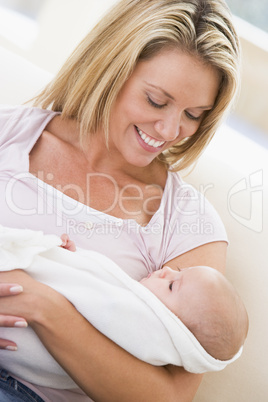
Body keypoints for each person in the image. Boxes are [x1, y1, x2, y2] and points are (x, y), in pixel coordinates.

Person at [0, 0, 241, 401]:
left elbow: (169, 398)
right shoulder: (8, 135)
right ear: (110, 68)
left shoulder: (188, 224)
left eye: (194, 114)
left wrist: (44, 306)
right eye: (156, 101)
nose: (169, 129)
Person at [0, 227, 248, 390]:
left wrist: (41, 296)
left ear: (177, 330)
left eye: (173, 286)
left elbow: (93, 302)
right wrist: (71, 258)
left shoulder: (145, 328)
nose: (167, 270)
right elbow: (91, 283)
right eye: (178, 271)